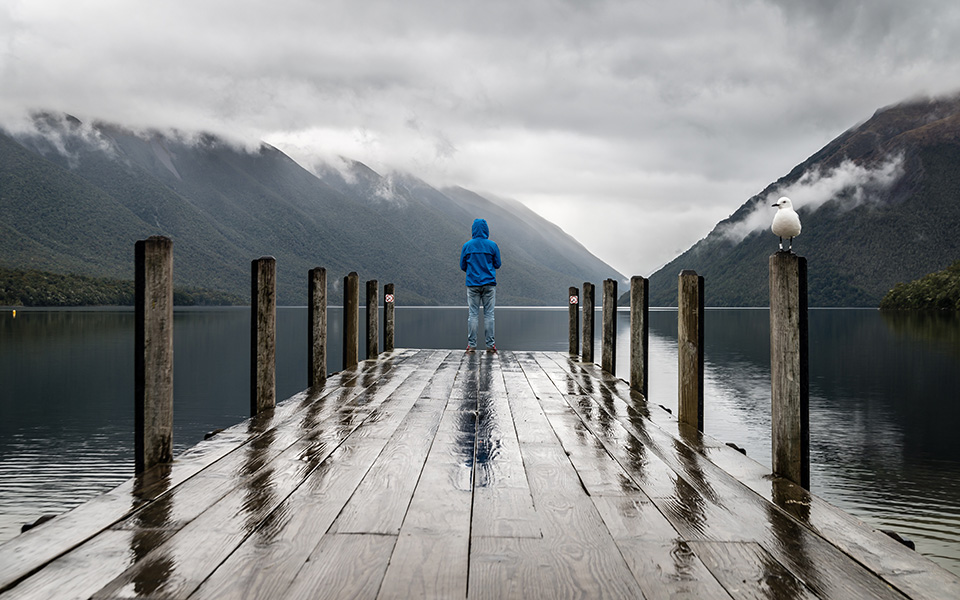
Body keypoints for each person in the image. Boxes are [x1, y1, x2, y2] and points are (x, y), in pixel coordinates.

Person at [460, 218, 501, 352]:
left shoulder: (467, 246)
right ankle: (490, 345)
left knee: (473, 314)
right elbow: (498, 264)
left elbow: (462, 266)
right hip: (489, 284)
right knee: (489, 315)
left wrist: (473, 271)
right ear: (486, 230)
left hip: (472, 284)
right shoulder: (492, 245)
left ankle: (471, 345)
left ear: (473, 229)